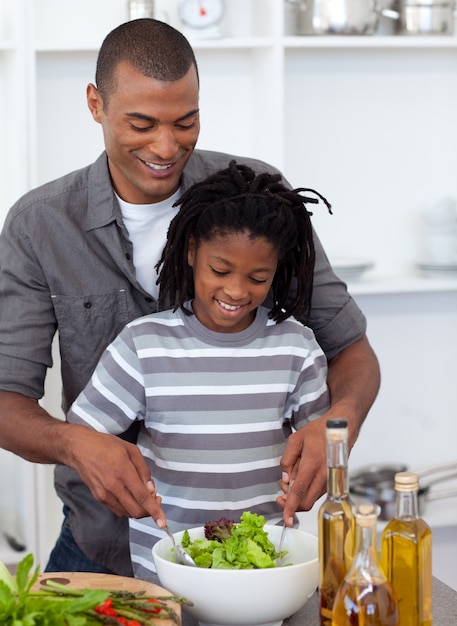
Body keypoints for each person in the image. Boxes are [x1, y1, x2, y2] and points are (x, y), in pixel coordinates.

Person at [0, 18, 380, 577]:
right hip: (101, 541)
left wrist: (336, 428)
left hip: (254, 550)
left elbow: (353, 350)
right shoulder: (40, 225)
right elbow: (7, 399)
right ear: (95, 104)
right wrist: (74, 445)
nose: (166, 146)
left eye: (186, 121)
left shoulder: (255, 199)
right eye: (142, 123)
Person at [67, 160, 332, 577]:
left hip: (263, 563)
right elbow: (83, 435)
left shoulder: (296, 347)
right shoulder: (143, 343)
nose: (236, 290)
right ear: (191, 251)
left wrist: (313, 473)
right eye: (220, 270)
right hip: (168, 561)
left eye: (258, 277)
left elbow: (319, 445)